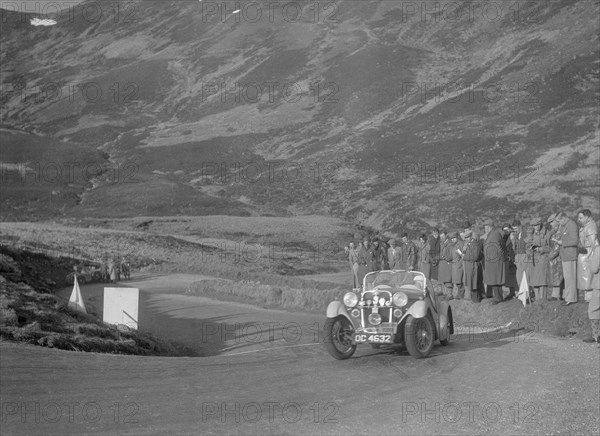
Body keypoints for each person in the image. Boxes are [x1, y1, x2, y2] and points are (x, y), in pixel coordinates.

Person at [552, 212, 579, 305]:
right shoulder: (565, 226)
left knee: (570, 278)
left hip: (570, 255)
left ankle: (571, 298)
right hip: (565, 255)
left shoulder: (571, 225)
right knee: (568, 278)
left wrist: (561, 242)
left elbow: (575, 240)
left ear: (564, 218)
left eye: (559, 221)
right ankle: (568, 297)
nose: (559, 223)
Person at [483, 218, 506, 304]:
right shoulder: (493, 234)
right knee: (494, 280)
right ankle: (497, 297)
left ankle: (498, 298)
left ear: (490, 227)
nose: (485, 229)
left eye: (486, 227)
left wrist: (497, 259)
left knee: (496, 280)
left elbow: (499, 249)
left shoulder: (494, 234)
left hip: (495, 262)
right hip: (492, 262)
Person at [583, 234, 600, 344]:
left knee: (593, 309)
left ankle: (596, 336)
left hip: (599, 284)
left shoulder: (598, 250)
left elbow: (594, 268)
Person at [529, 218, 551, 302]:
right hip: (534, 261)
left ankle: (543, 301)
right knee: (535, 282)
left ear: (541, 224)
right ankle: (536, 302)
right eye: (534, 226)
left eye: (537, 225)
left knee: (542, 282)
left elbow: (551, 247)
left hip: (543, 260)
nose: (536, 227)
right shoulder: (532, 234)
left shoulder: (547, 234)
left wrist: (541, 249)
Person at [577, 209, 598, 294]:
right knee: (587, 277)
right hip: (585, 253)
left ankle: (590, 299)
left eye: (581, 217)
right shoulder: (585, 226)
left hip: (589, 254)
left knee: (589, 277)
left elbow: (594, 244)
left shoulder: (591, 228)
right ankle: (588, 297)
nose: (578, 219)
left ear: (587, 217)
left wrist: (596, 257)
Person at [547, 214, 564, 301]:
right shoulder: (555, 233)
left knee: (557, 277)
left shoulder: (559, 233)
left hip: (557, 259)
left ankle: (557, 295)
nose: (551, 224)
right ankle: (556, 294)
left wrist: (549, 256)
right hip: (555, 258)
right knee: (555, 277)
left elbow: (556, 249)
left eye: (552, 222)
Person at [462, 229, 483, 302]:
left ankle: (476, 299)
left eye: (467, 238)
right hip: (471, 266)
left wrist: (464, 257)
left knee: (474, 283)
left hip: (473, 266)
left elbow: (475, 257)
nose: (467, 239)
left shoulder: (474, 245)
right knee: (473, 283)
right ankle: (475, 299)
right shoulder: (471, 244)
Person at [502, 223, 518, 300]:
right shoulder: (504, 237)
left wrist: (514, 258)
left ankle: (517, 293)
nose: (506, 231)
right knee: (509, 277)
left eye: (507, 229)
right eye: (504, 229)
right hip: (507, 259)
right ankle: (512, 292)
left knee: (515, 276)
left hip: (513, 259)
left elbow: (514, 248)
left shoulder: (513, 236)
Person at [438, 229, 453, 299]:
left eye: (443, 236)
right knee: (444, 280)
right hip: (442, 264)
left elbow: (450, 255)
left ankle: (450, 294)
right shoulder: (441, 243)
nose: (442, 238)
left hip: (447, 264)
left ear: (446, 235)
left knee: (448, 280)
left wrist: (443, 257)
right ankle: (446, 294)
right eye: (440, 236)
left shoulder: (450, 243)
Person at [449, 231, 465, 299]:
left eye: (454, 238)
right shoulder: (455, 244)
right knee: (457, 280)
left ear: (457, 237)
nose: (453, 240)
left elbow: (462, 255)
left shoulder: (459, 244)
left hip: (458, 265)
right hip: (455, 264)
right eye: (452, 238)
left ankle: (461, 295)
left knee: (459, 281)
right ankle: (459, 294)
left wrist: (459, 263)